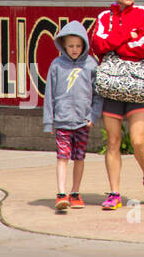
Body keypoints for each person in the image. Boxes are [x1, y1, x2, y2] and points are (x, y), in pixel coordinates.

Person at [89, 0, 144, 211]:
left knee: (138, 141)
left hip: (137, 83)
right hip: (111, 85)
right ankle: (115, 192)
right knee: (113, 141)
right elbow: (98, 44)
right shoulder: (104, 16)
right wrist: (125, 35)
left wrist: (116, 45)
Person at [41, 21, 101, 213]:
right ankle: (61, 193)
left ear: (84, 45)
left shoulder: (91, 65)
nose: (74, 50)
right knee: (62, 157)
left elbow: (98, 95)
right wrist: (49, 121)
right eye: (70, 46)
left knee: (79, 157)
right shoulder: (57, 65)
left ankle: (75, 192)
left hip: (83, 121)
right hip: (62, 120)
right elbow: (49, 94)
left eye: (78, 45)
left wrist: (93, 115)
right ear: (63, 46)